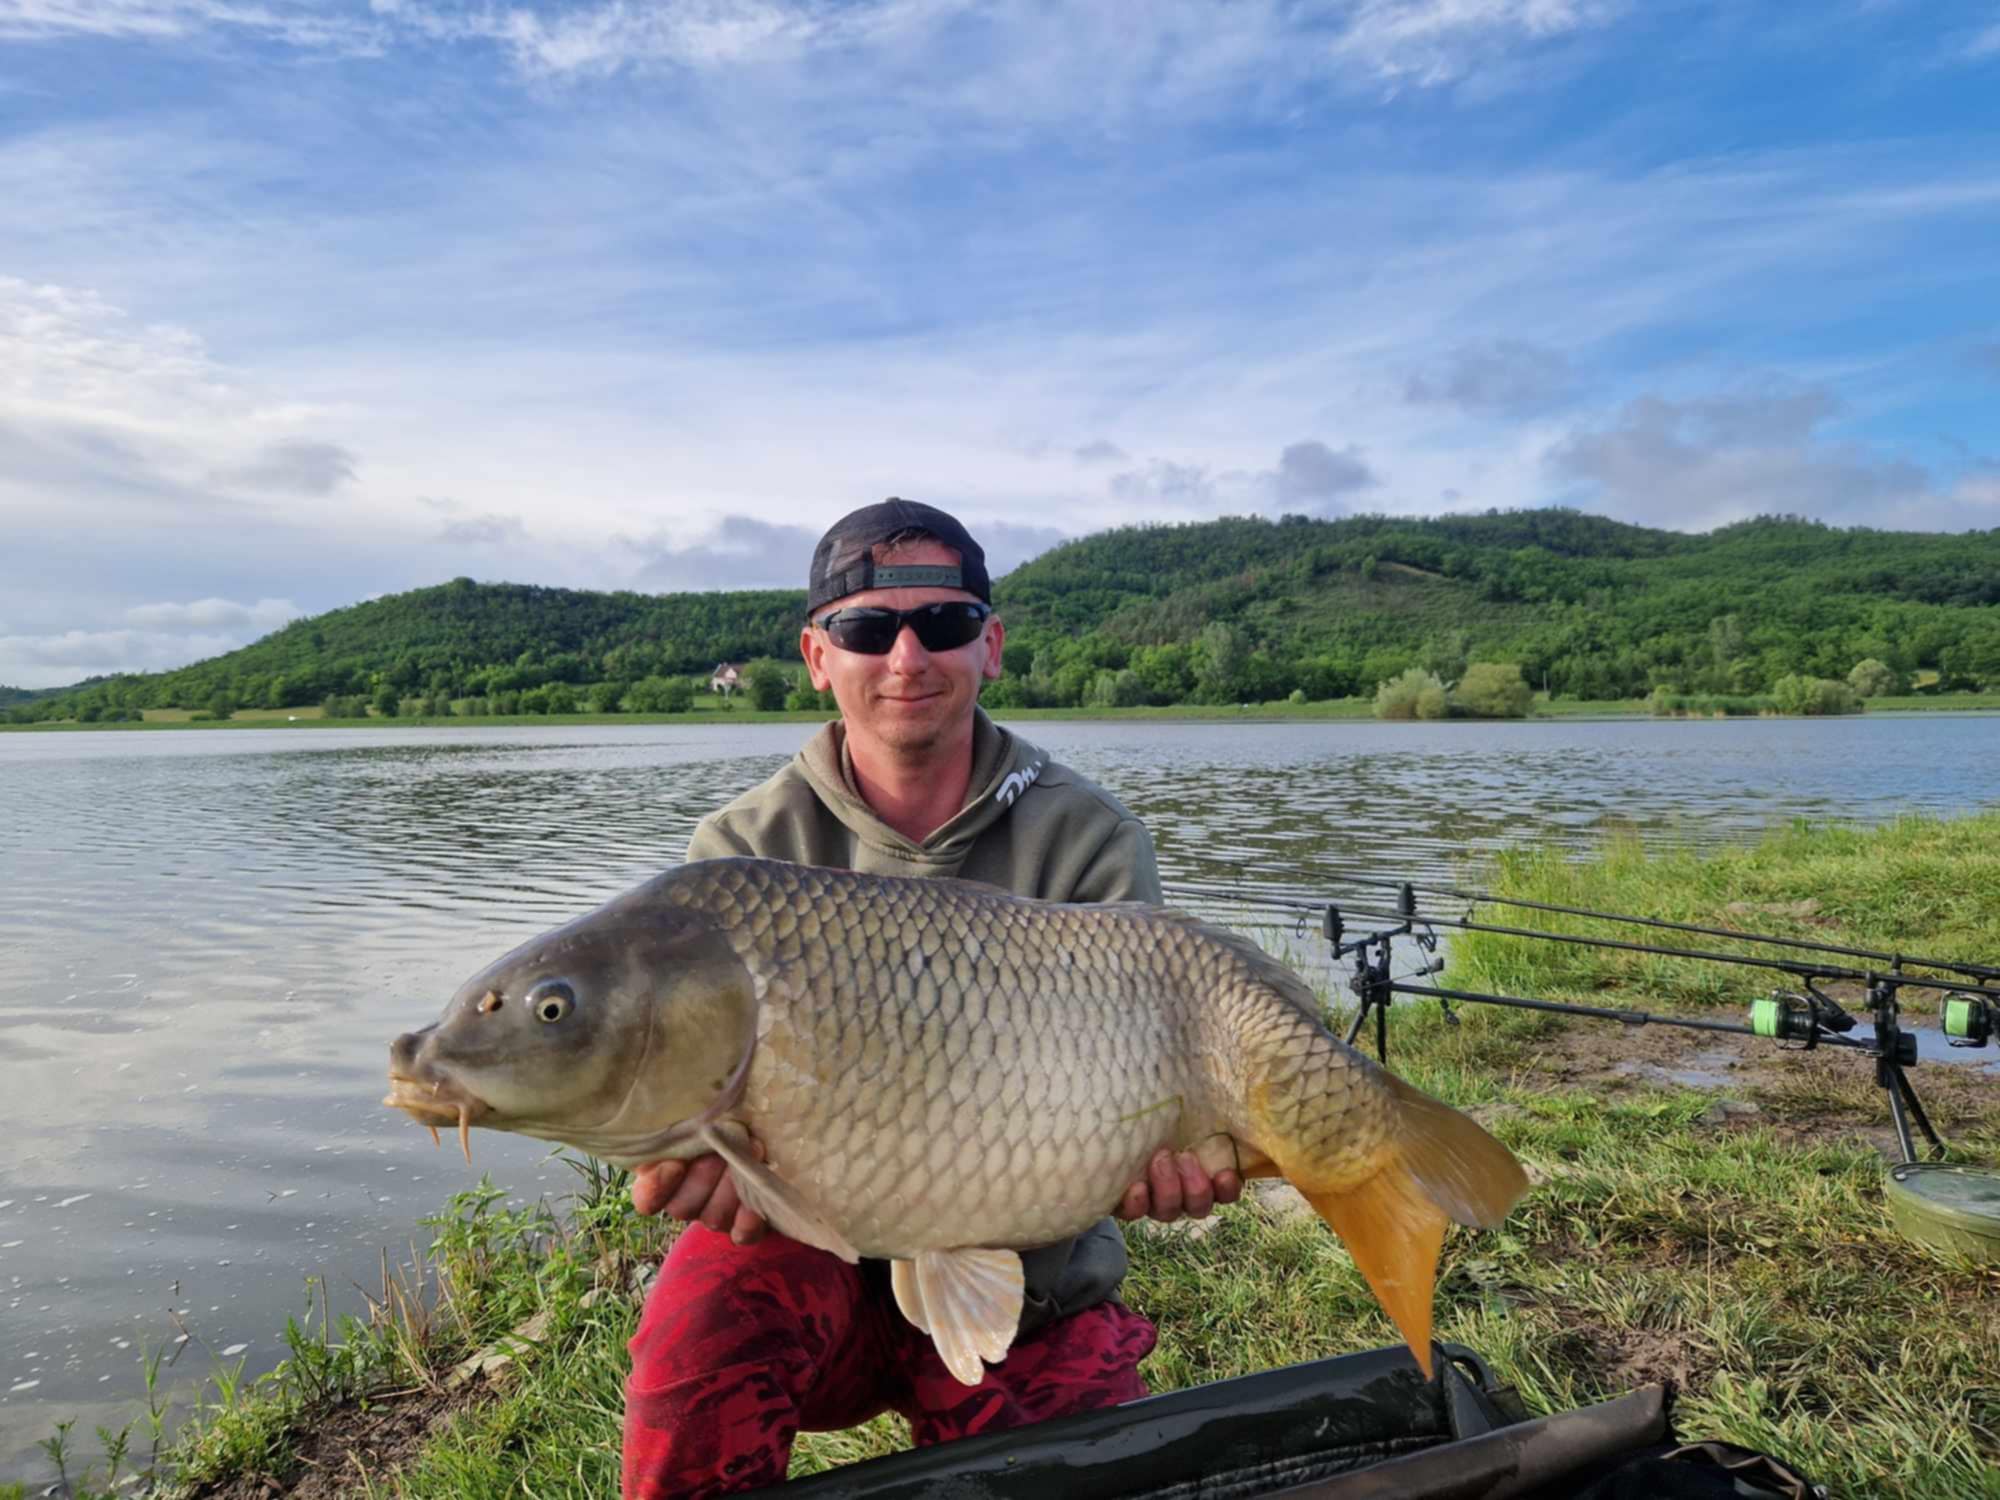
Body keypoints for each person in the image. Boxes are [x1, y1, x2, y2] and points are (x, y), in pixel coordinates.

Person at [621, 499, 1243, 1499]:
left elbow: (1149, 1083)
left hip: (1029, 1264)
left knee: (1096, 1476)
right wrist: (708, 1159)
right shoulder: (737, 855)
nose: (907, 657)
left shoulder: (1085, 837)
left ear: (988, 645)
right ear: (818, 656)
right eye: (869, 629)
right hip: (810, 1259)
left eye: (942, 625)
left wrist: (1168, 1155)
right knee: (697, 1329)